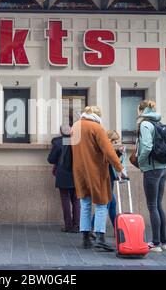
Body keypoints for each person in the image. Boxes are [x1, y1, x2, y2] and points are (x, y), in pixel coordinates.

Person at [71, 106, 124, 251]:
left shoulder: (75, 126)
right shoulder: (97, 127)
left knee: (85, 204)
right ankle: (100, 238)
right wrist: (120, 168)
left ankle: (85, 239)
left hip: (80, 171)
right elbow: (108, 151)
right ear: (97, 115)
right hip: (96, 171)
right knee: (102, 204)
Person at [136, 100, 166, 253]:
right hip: (164, 168)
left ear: (141, 110)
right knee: (158, 204)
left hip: (152, 169)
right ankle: (163, 241)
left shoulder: (144, 124)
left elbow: (147, 146)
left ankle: (155, 243)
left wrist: (140, 161)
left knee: (152, 206)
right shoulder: (159, 123)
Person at [90, 130, 126, 236]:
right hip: (105, 181)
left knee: (110, 205)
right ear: (110, 139)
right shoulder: (104, 147)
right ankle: (95, 228)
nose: (115, 144)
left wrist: (118, 153)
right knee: (105, 206)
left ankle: (115, 229)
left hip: (108, 181)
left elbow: (110, 158)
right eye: (114, 141)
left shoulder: (105, 147)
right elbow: (109, 159)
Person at [47, 125, 80, 233]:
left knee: (65, 200)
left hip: (63, 175)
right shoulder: (77, 141)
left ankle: (68, 225)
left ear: (61, 132)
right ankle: (76, 226)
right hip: (76, 174)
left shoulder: (57, 143)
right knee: (76, 201)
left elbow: (51, 159)